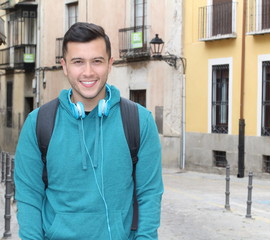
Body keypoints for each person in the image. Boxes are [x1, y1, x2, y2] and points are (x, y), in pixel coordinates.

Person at [14, 22, 163, 240]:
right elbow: (28, 196)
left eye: (97, 61)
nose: (88, 72)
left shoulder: (140, 121)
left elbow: (149, 194)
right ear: (64, 66)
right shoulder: (38, 123)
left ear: (110, 64)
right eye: (78, 62)